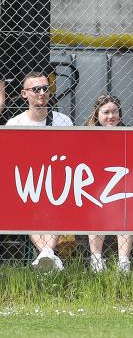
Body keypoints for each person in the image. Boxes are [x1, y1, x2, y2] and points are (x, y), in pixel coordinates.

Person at [6, 72, 74, 271]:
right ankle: (48, 254)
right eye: (36, 89)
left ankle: (45, 254)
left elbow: (70, 156)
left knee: (56, 198)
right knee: (27, 201)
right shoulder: (15, 124)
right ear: (24, 94)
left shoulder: (63, 121)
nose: (42, 93)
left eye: (45, 88)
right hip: (26, 182)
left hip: (56, 180)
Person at [84, 94, 133, 273]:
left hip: (122, 185)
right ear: (97, 114)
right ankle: (96, 258)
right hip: (95, 186)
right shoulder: (88, 135)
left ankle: (123, 261)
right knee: (96, 204)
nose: (111, 116)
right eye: (106, 112)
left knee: (126, 206)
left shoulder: (129, 134)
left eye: (115, 112)